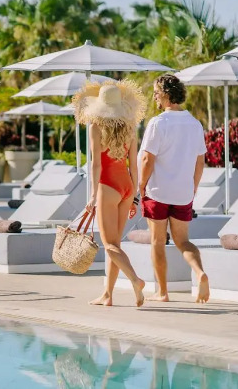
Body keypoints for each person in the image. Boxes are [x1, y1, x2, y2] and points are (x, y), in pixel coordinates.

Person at [73, 79, 147, 307]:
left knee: (109, 245)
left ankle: (135, 280)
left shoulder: (95, 127)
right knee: (115, 245)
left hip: (107, 186)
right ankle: (108, 294)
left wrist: (93, 195)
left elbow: (96, 165)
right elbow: (134, 166)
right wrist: (135, 196)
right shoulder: (130, 128)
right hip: (126, 186)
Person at [138, 74, 210, 304]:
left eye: (156, 93)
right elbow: (200, 162)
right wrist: (193, 187)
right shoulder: (195, 124)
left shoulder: (158, 123)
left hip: (157, 192)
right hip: (183, 193)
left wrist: (141, 185)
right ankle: (199, 272)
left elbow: (147, 159)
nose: (154, 97)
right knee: (183, 241)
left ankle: (162, 292)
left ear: (166, 94)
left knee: (157, 242)